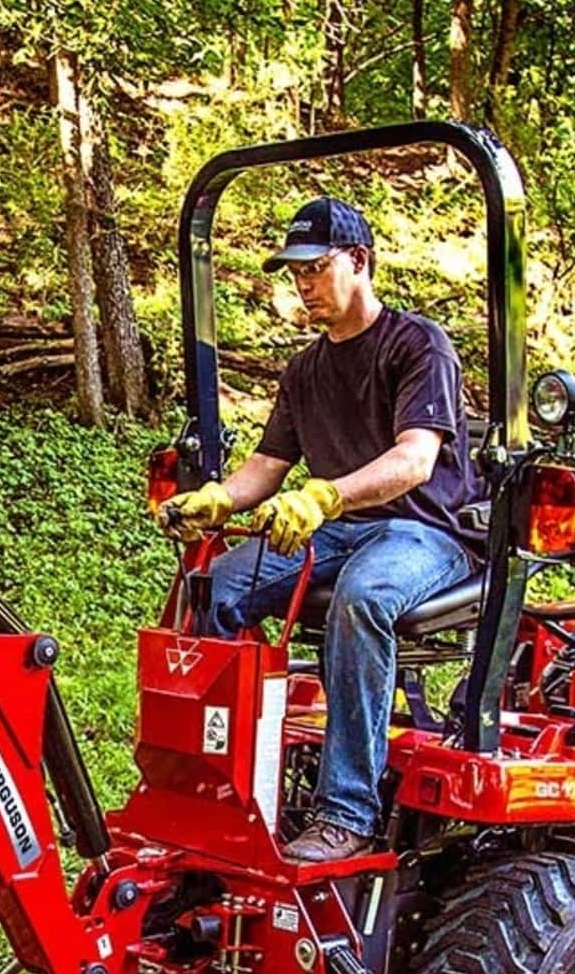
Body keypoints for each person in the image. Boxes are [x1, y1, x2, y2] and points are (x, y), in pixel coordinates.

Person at [157, 197, 481, 864]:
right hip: (340, 529)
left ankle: (346, 811)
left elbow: (415, 460)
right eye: (294, 272)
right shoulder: (306, 369)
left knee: (363, 599)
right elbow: (267, 466)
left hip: (424, 533)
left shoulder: (418, 345)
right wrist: (217, 500)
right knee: (214, 587)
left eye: (316, 267)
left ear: (359, 262)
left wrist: (327, 496)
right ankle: (225, 782)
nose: (303, 285)